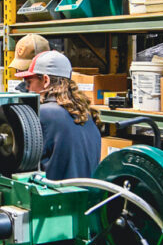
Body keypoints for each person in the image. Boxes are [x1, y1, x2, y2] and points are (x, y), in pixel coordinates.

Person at [15, 50, 100, 180]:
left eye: (29, 83)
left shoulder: (43, 114)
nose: (27, 89)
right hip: (88, 198)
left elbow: (19, 165)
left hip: (55, 198)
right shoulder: (87, 115)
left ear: (45, 80)